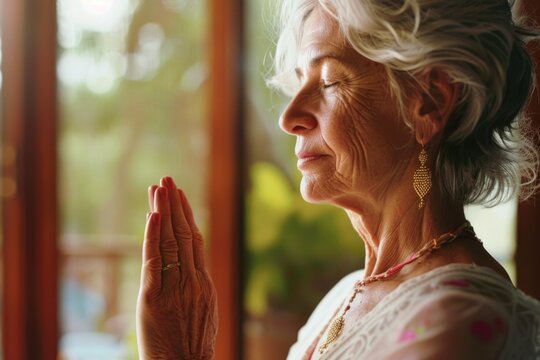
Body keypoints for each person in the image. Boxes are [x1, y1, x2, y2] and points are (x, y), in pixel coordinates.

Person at [136, 0, 540, 358]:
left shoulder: (458, 322)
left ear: (429, 101)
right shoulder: (345, 296)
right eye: (299, 82)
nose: (289, 116)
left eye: (329, 81)